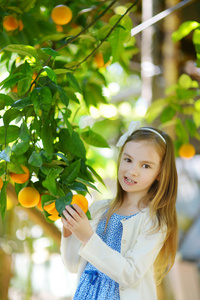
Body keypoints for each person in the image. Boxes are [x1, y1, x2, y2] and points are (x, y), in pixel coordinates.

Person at [60, 121, 178, 300]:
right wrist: (69, 229)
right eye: (128, 159)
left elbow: (130, 274)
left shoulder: (154, 221)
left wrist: (88, 237)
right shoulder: (100, 209)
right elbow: (72, 264)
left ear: (160, 173)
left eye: (145, 165)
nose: (132, 171)